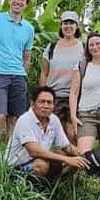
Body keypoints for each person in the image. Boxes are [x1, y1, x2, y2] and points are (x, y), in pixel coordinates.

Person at [69, 32, 100, 200]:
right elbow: (74, 92)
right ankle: (73, 190)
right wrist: (73, 115)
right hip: (87, 113)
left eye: (98, 43)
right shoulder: (82, 65)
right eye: (91, 44)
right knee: (83, 153)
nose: (95, 47)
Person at [0, 0, 35, 148]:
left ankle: (10, 155)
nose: (18, 2)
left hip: (18, 76)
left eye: (22, 0)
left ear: (26, 4)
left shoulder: (29, 28)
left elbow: (27, 56)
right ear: (9, 0)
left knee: (14, 119)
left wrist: (24, 74)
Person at [6, 86, 89, 179]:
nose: (45, 106)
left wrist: (84, 157)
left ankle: (53, 185)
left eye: (49, 102)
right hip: (16, 168)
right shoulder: (25, 120)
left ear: (53, 106)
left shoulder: (54, 120)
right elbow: (34, 151)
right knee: (41, 165)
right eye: (42, 102)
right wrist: (67, 159)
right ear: (32, 104)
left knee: (74, 161)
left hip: (38, 160)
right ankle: (32, 187)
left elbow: (66, 147)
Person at [39, 11, 85, 143]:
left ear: (76, 26)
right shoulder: (52, 47)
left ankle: (74, 156)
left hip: (74, 96)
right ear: (61, 26)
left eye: (71, 23)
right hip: (54, 96)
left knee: (73, 133)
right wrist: (42, 94)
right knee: (51, 133)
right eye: (65, 23)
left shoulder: (83, 48)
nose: (68, 26)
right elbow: (44, 72)